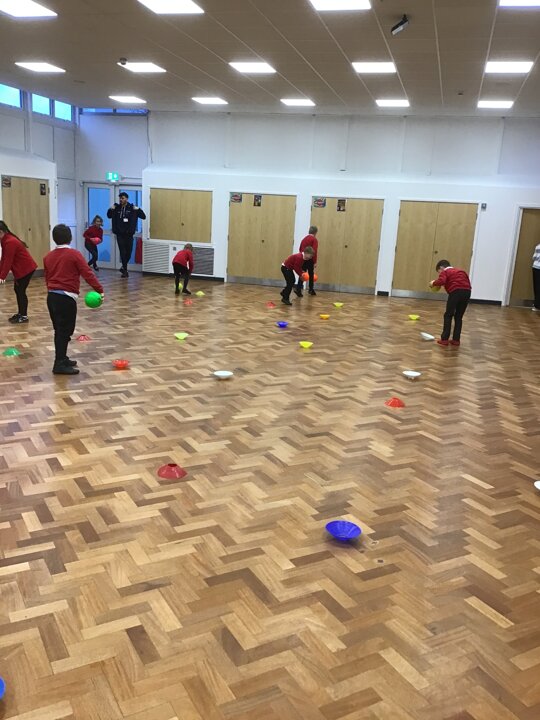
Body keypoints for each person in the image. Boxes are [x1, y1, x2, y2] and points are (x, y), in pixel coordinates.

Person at [44, 224, 104, 375]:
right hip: (66, 298)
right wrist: (99, 290)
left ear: (54, 239)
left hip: (52, 297)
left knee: (60, 330)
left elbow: (47, 277)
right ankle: (59, 364)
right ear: (70, 238)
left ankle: (62, 358)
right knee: (64, 331)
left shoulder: (48, 257)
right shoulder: (74, 254)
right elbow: (87, 273)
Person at [0, 220, 38, 324]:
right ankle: (21, 313)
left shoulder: (10, 242)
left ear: (1, 232)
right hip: (21, 269)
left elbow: (8, 261)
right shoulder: (5, 240)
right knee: (18, 290)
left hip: (26, 269)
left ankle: (24, 316)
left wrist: (2, 276)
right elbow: (3, 258)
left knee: (20, 291)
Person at [430, 259, 472, 347]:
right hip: (467, 292)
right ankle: (456, 340)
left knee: (448, 315)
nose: (439, 274)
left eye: (439, 271)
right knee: (459, 316)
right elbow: (467, 282)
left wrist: (433, 283)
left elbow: (441, 281)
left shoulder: (445, 272)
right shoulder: (461, 271)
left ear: (441, 267)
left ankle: (444, 339)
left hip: (455, 291)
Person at [107, 192, 146, 278]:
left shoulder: (132, 208)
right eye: (120, 198)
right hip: (119, 234)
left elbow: (143, 216)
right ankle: (125, 271)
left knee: (129, 252)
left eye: (123, 198)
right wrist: (110, 209)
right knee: (123, 252)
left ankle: (123, 267)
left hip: (129, 234)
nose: (121, 200)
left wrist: (138, 209)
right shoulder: (116, 208)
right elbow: (109, 216)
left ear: (127, 199)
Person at [296, 226, 319, 297]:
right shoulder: (314, 239)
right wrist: (315, 261)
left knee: (302, 273)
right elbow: (314, 251)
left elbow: (300, 249)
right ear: (315, 232)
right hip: (310, 260)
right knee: (311, 274)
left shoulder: (304, 239)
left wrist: (302, 257)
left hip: (303, 258)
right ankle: (311, 289)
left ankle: (298, 289)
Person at [532, 242, 540, 312]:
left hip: (535, 267)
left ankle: (536, 305)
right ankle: (537, 305)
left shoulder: (538, 246)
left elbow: (534, 257)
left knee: (536, 287)